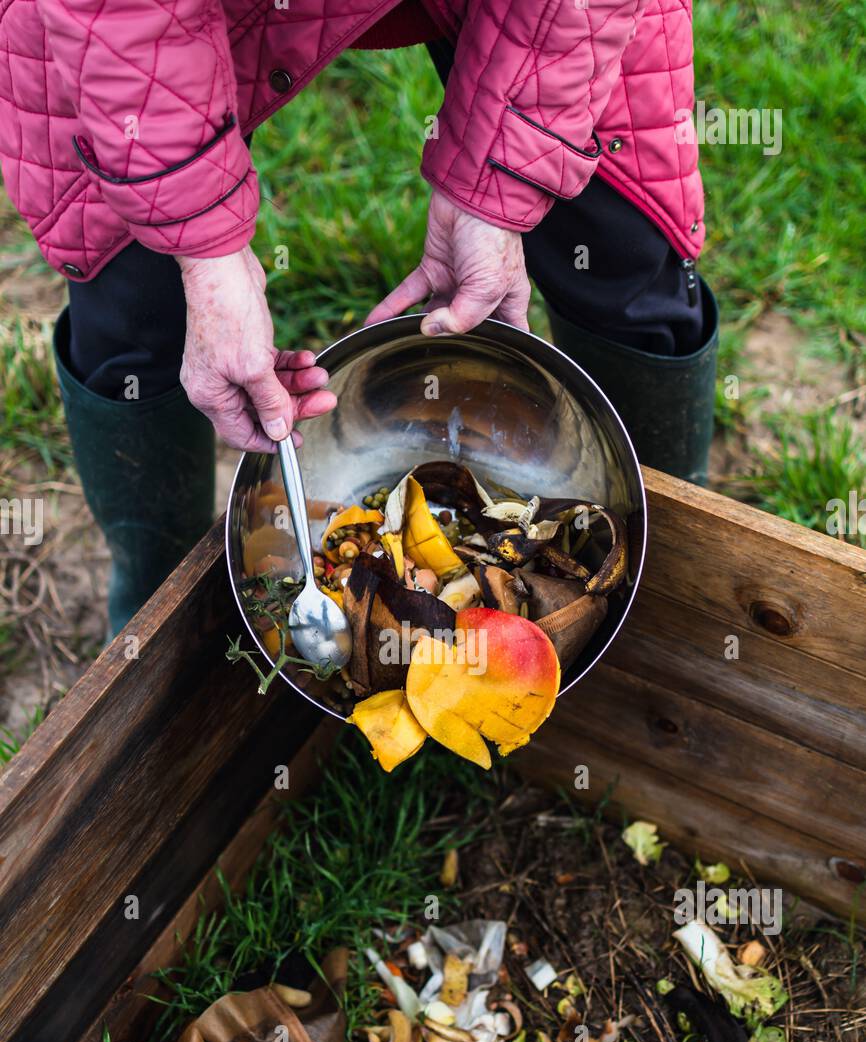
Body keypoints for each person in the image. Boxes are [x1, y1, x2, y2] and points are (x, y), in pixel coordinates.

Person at [0, 0, 717, 637]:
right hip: (138, 25)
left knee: (621, 240)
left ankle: (648, 596)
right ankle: (159, 625)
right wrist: (203, 248)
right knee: (131, 291)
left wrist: (500, 191)